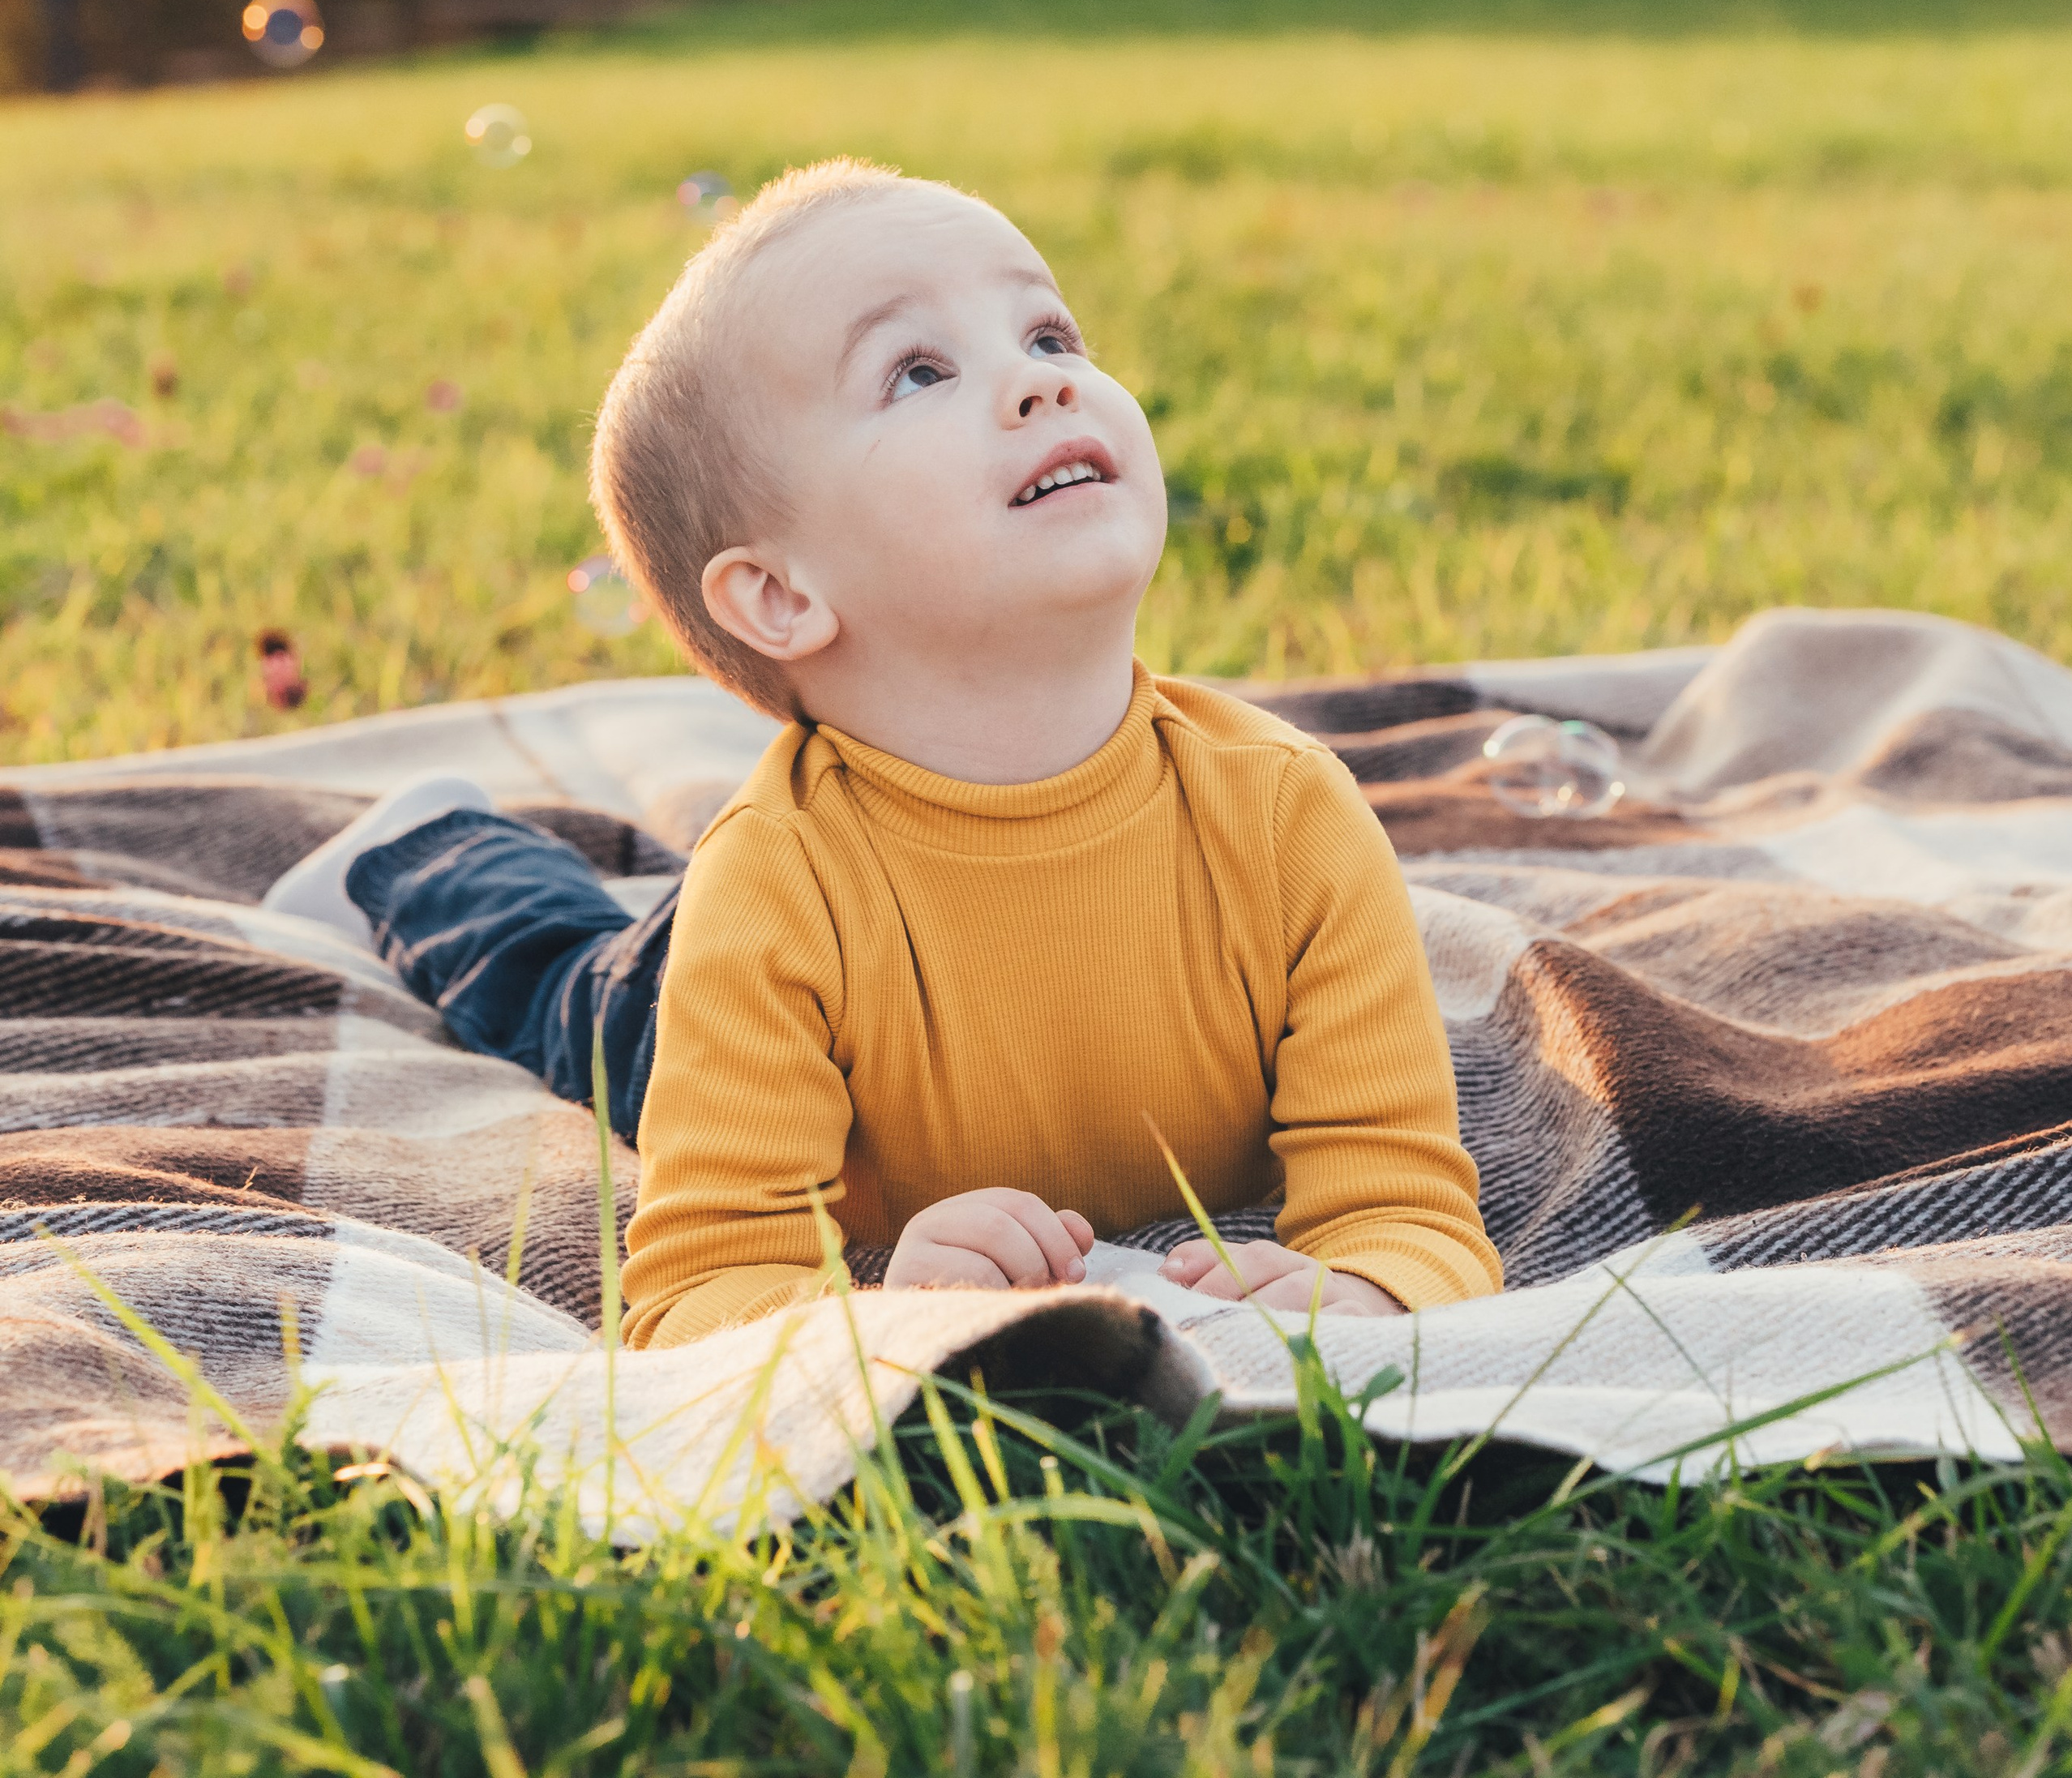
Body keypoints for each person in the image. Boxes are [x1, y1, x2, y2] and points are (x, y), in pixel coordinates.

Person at [268, 161, 1500, 1344]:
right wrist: (881, 1315)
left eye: (1050, 337)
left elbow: (1406, 1204)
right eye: (917, 373)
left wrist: (1376, 1292)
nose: (1041, 386)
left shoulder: (1290, 817)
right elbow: (705, 1292)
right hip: (723, 1000)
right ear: (781, 596)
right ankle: (430, 848)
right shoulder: (775, 896)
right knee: (567, 994)